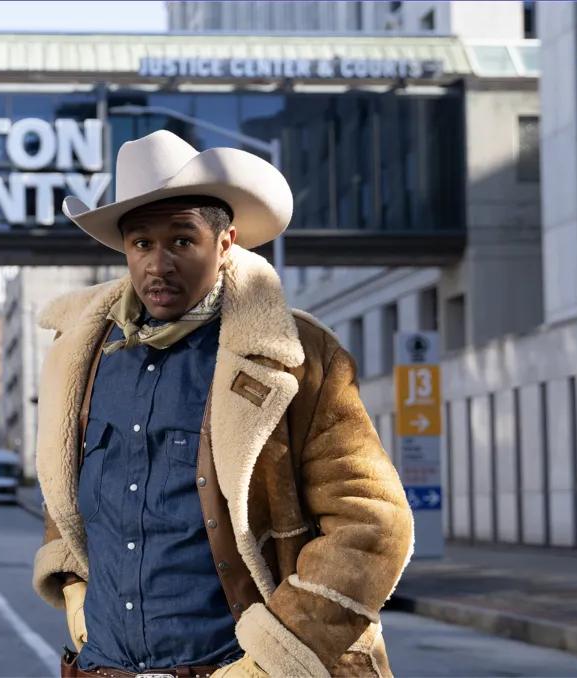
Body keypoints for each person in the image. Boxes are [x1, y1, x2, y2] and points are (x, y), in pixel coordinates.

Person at [32, 130, 414, 678]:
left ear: (226, 241)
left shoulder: (296, 356)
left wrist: (274, 659)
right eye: (141, 244)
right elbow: (62, 484)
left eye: (181, 241)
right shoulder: (81, 356)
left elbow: (372, 524)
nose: (157, 264)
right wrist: (74, 588)